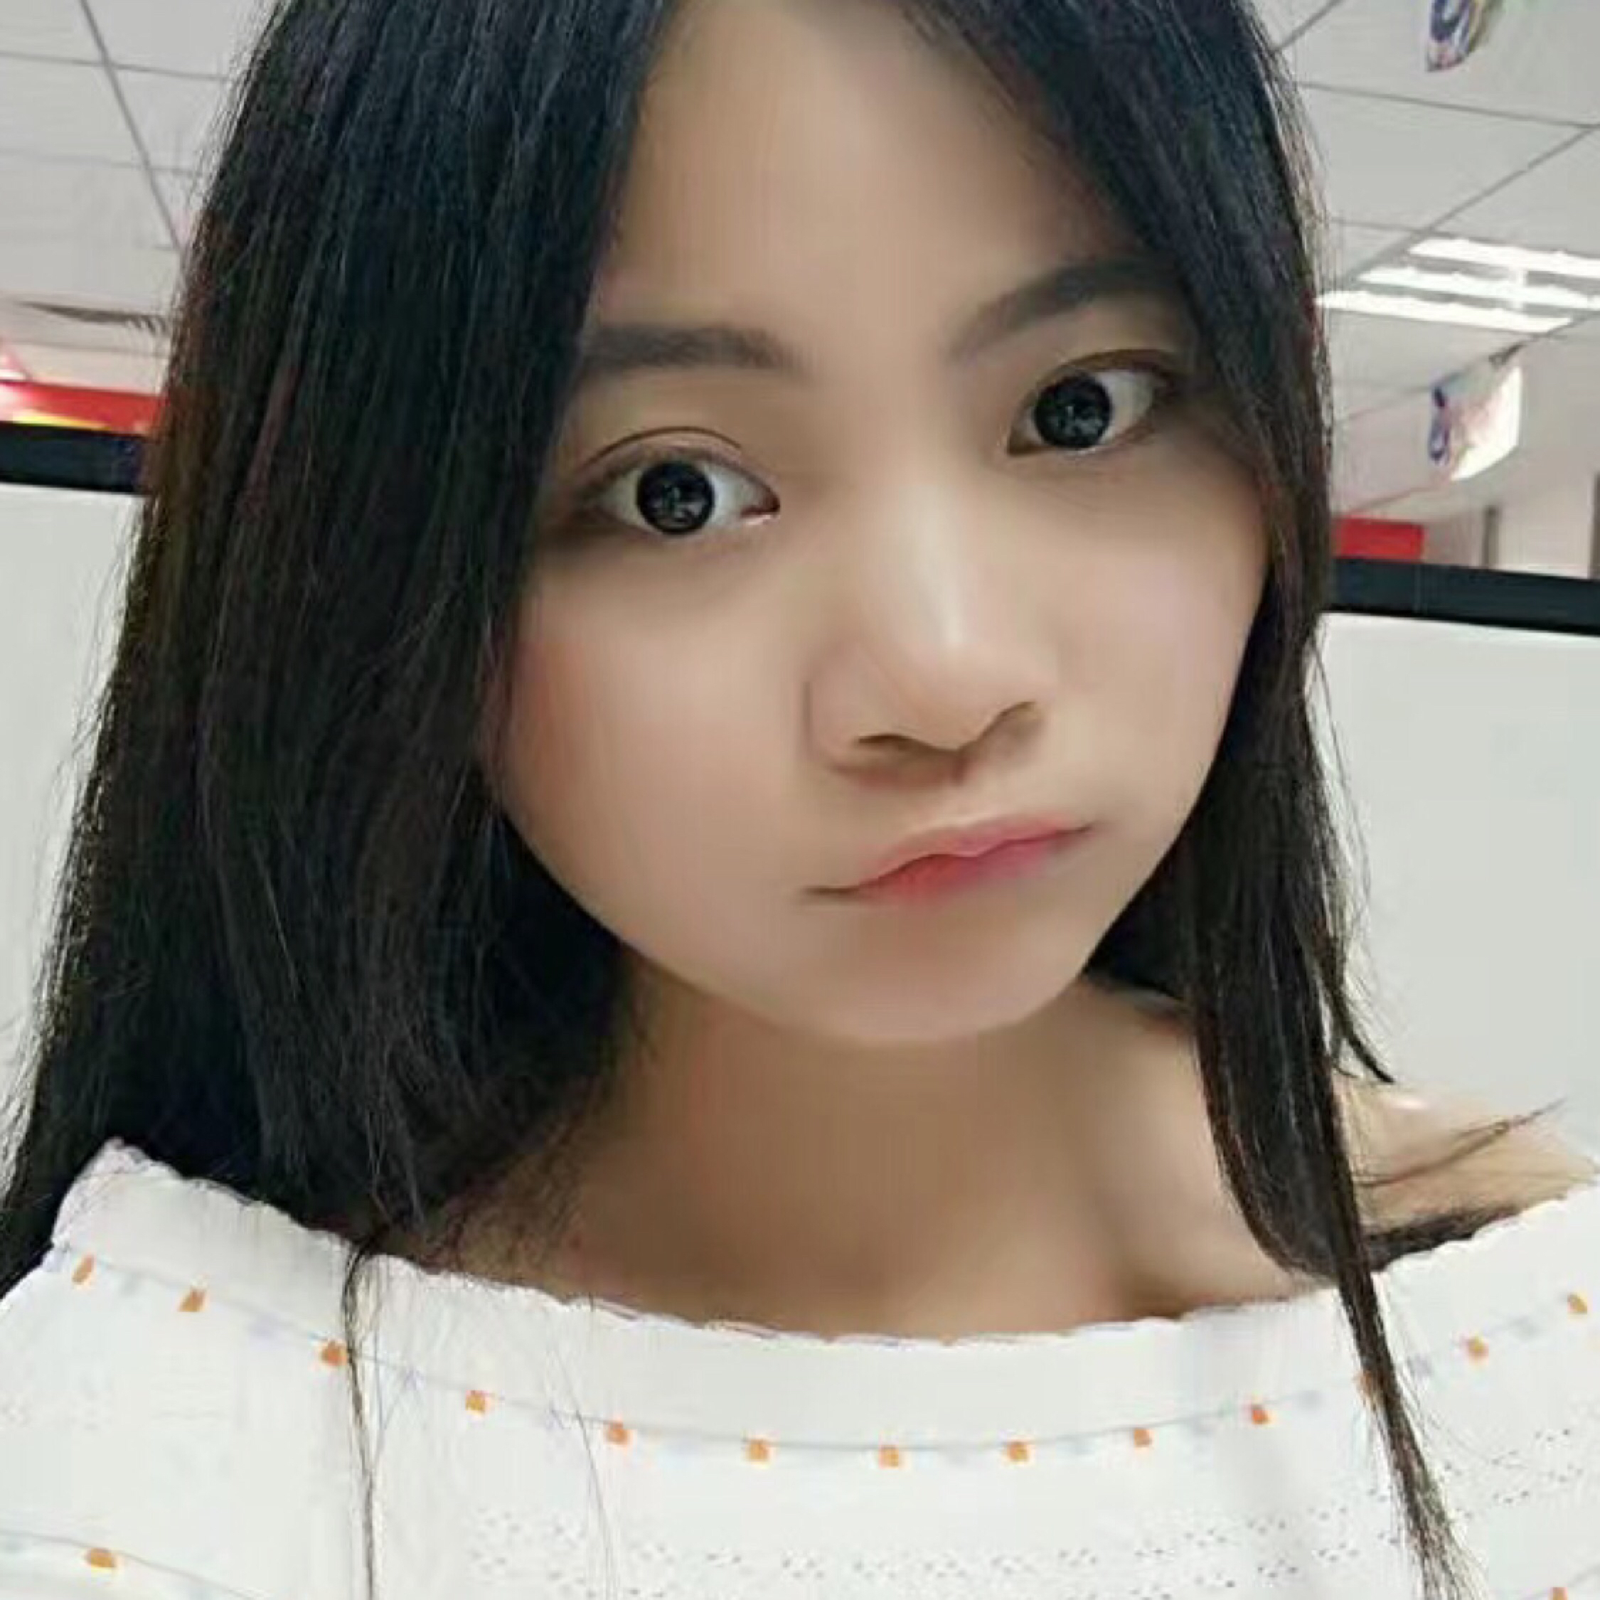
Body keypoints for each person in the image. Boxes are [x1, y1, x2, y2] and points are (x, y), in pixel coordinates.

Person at [0, 0, 1595, 1596]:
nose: (945, 675)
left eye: (1081, 408)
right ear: (371, 580)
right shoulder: (165, 1452)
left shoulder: (1535, 1335)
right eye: (674, 493)